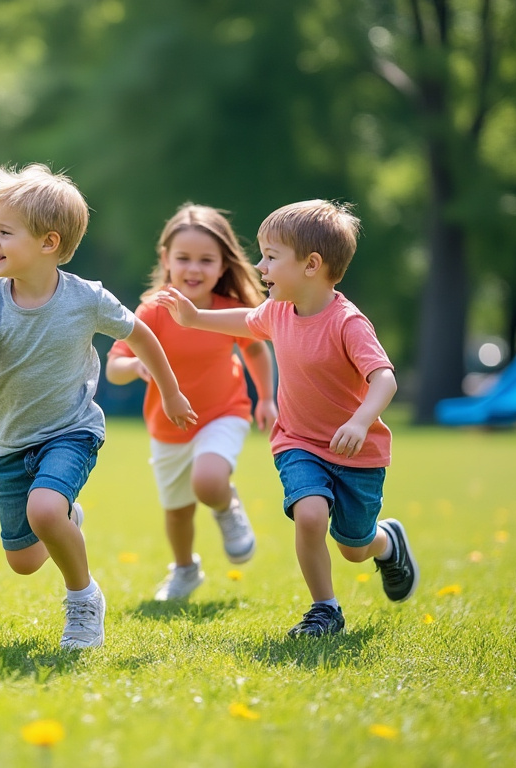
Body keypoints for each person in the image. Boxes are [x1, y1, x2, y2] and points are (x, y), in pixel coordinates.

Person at [0, 164, 196, 650]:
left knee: (44, 510)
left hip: (72, 431)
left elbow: (141, 334)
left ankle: (83, 600)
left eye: (5, 232)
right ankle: (66, 520)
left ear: (48, 242)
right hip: (10, 442)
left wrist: (169, 391)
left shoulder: (87, 299)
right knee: (23, 559)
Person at [154, 199, 418, 638]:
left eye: (271, 257)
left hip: (356, 451)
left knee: (354, 547)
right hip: (298, 442)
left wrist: (358, 421)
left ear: (311, 265)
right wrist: (196, 317)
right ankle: (325, 610)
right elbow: (246, 320)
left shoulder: (348, 323)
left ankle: (387, 544)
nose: (260, 266)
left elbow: (385, 380)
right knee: (310, 515)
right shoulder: (278, 311)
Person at [107, 204, 277, 602]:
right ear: (166, 260)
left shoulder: (227, 310)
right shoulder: (152, 312)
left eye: (206, 260)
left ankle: (226, 506)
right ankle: (185, 569)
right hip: (168, 428)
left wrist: (266, 398)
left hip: (224, 412)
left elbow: (254, 353)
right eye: (183, 258)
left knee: (208, 481)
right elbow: (113, 367)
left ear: (223, 266)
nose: (194, 269)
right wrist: (135, 366)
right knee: (178, 512)